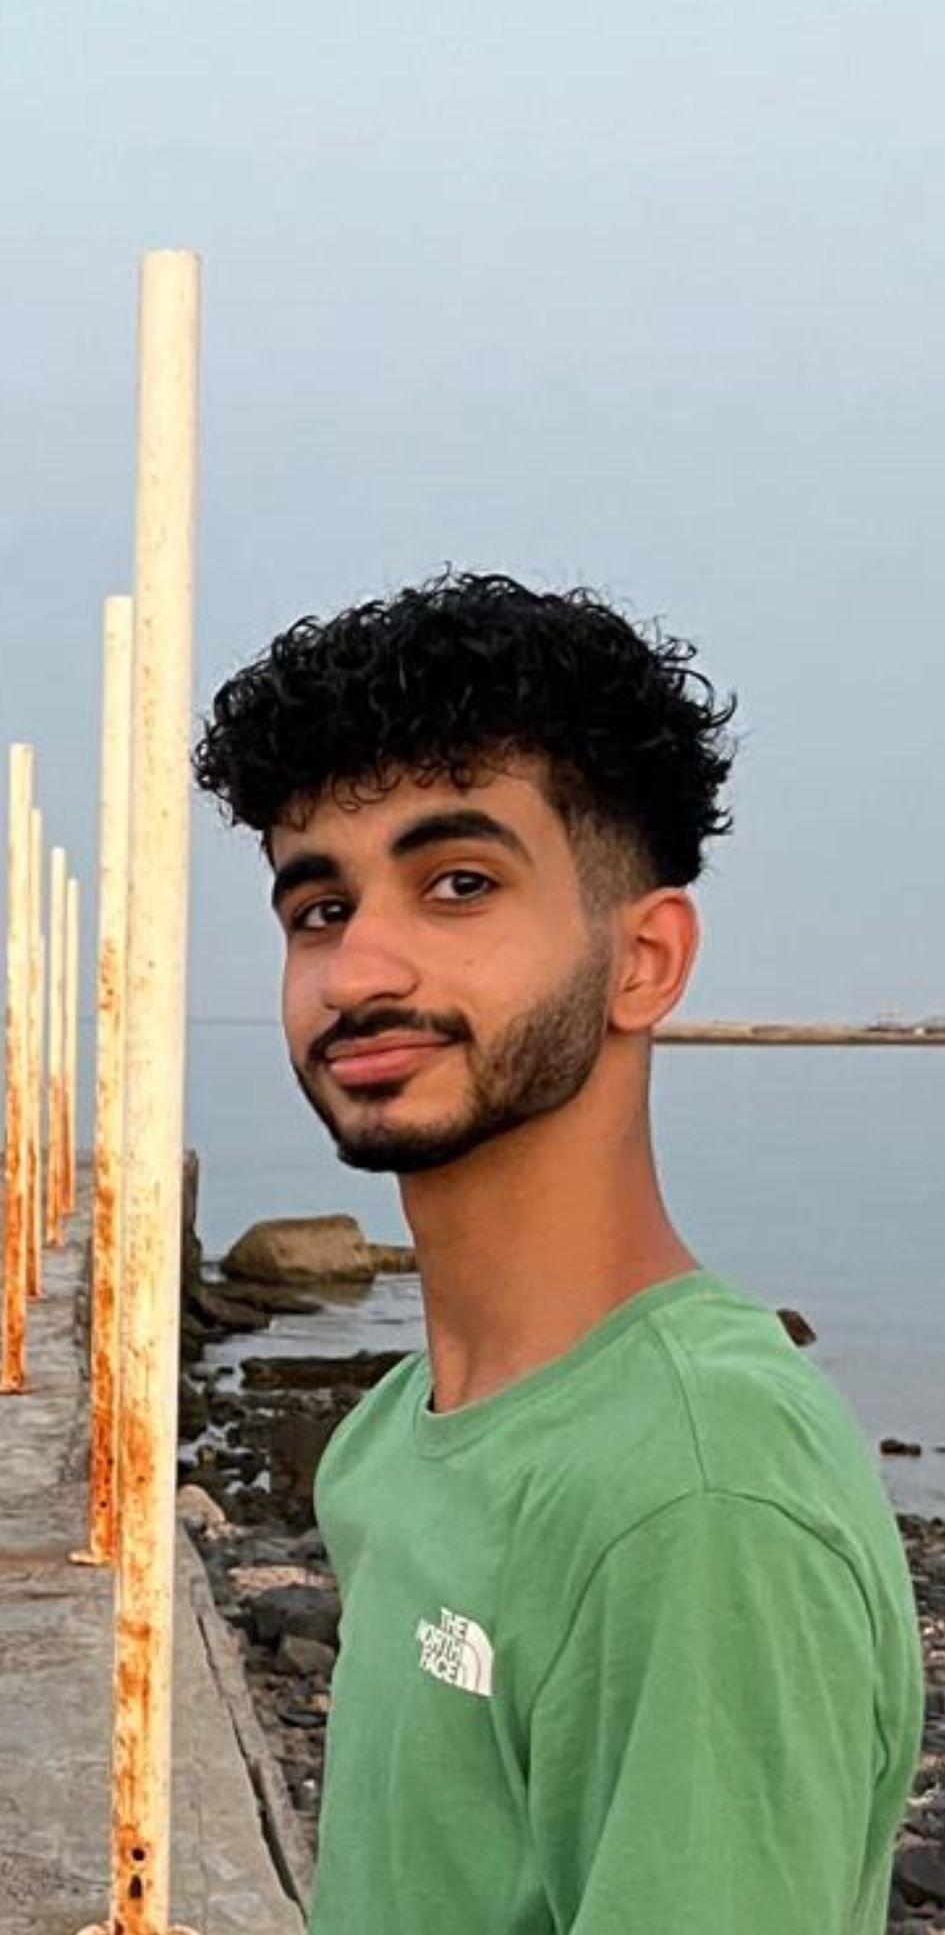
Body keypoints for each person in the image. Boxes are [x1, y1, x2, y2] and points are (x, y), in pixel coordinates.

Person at [194, 567, 924, 1934]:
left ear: (643, 961)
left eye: (458, 884)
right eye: (320, 908)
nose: (359, 971)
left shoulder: (695, 1503)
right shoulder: (399, 1429)